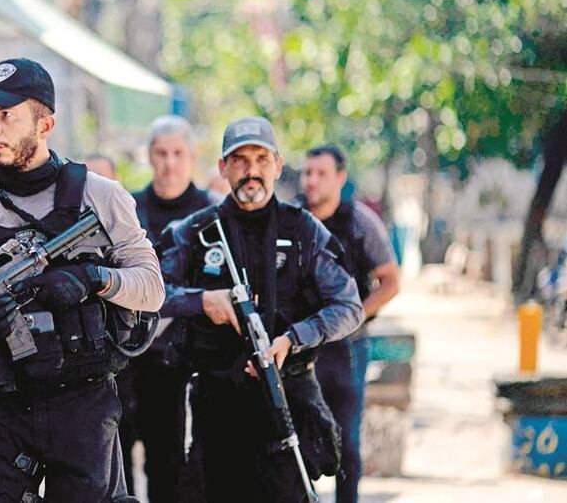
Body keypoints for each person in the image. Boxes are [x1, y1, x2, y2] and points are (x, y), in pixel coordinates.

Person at [0, 57, 163, 502]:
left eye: (7, 115)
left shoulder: (99, 196)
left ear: (45, 124)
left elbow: (151, 286)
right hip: (1, 406)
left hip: (81, 403)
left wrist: (93, 278)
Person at [156, 116, 362, 502]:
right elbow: (150, 293)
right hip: (217, 405)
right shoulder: (197, 231)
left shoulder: (304, 232)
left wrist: (293, 339)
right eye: (240, 160)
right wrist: (201, 301)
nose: (252, 171)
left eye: (261, 159)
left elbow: (348, 306)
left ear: (278, 166)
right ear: (222, 167)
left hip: (285, 399)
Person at [118, 115, 215, 501]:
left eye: (177, 153)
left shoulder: (211, 213)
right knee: (117, 460)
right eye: (161, 153)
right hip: (128, 358)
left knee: (170, 465)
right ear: (149, 156)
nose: (169, 162)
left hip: (185, 361)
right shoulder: (130, 209)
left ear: (191, 156)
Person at [300, 144, 400, 503]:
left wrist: (357, 316)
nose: (312, 181)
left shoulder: (359, 222)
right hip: (297, 346)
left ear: (340, 178)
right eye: (307, 173)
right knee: (294, 442)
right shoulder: (292, 220)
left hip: (347, 349)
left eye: (321, 173)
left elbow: (391, 281)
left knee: (346, 443)